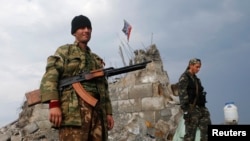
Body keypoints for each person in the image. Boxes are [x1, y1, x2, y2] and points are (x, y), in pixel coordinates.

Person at [40, 15, 114, 141]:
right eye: (82, 27)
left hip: (97, 114)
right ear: (74, 32)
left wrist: (108, 113)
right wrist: (54, 104)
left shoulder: (96, 59)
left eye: (89, 28)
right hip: (74, 114)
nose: (86, 30)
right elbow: (51, 75)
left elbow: (103, 87)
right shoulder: (65, 51)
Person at [178, 58, 211, 141]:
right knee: (190, 135)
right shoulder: (184, 78)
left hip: (201, 108)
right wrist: (186, 111)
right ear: (191, 66)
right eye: (197, 67)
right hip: (191, 109)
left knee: (206, 131)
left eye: (199, 67)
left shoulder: (196, 80)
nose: (198, 69)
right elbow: (182, 94)